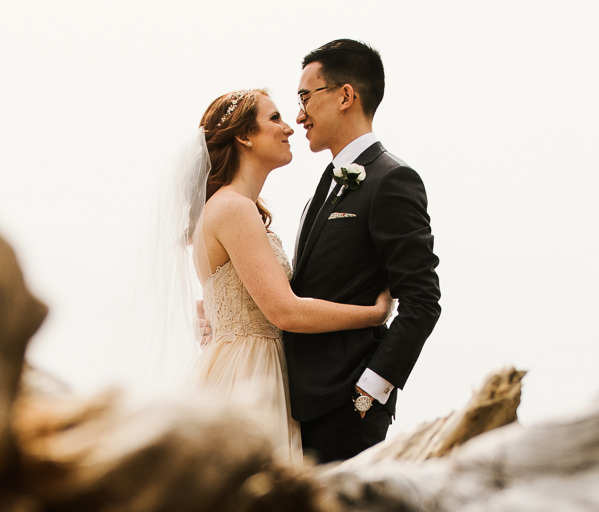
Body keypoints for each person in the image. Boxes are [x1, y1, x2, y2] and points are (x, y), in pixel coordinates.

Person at [188, 88, 391, 461]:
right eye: (275, 118)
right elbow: (286, 312)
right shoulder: (234, 208)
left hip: (250, 363)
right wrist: (374, 314)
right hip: (252, 375)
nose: (290, 128)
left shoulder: (232, 207)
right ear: (245, 136)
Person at [285, 39, 442, 463]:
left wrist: (369, 391)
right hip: (296, 402)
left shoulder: (393, 180)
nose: (299, 115)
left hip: (346, 407)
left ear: (345, 96)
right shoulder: (327, 180)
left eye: (305, 97)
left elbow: (423, 301)